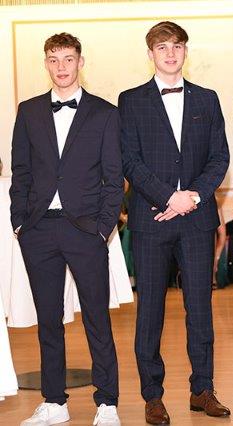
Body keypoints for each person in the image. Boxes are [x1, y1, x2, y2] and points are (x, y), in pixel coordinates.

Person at [119, 21, 230, 424]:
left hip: (197, 220)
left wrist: (192, 196)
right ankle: (153, 396)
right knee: (150, 311)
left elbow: (220, 156)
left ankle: (203, 389)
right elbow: (129, 160)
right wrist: (168, 197)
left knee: (200, 309)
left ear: (186, 51)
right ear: (150, 53)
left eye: (177, 46)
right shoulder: (130, 100)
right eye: (162, 47)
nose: (170, 53)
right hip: (152, 219)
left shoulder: (207, 98)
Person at [10, 33, 122, 426]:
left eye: (68, 59)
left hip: (86, 230)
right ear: (46, 63)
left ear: (80, 62)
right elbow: (21, 171)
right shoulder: (28, 111)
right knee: (48, 320)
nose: (61, 66)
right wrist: (20, 221)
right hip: (38, 230)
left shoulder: (105, 113)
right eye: (54, 59)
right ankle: (54, 402)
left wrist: (103, 228)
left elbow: (114, 178)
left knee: (97, 319)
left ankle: (107, 403)